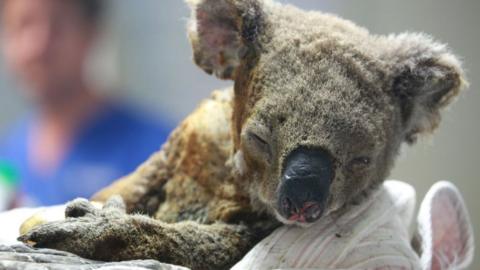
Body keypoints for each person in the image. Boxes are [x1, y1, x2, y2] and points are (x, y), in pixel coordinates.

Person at [0, 0, 172, 207]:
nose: (38, 45)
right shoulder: (8, 156)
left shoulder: (157, 152)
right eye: (23, 24)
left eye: (57, 26)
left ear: (92, 32)